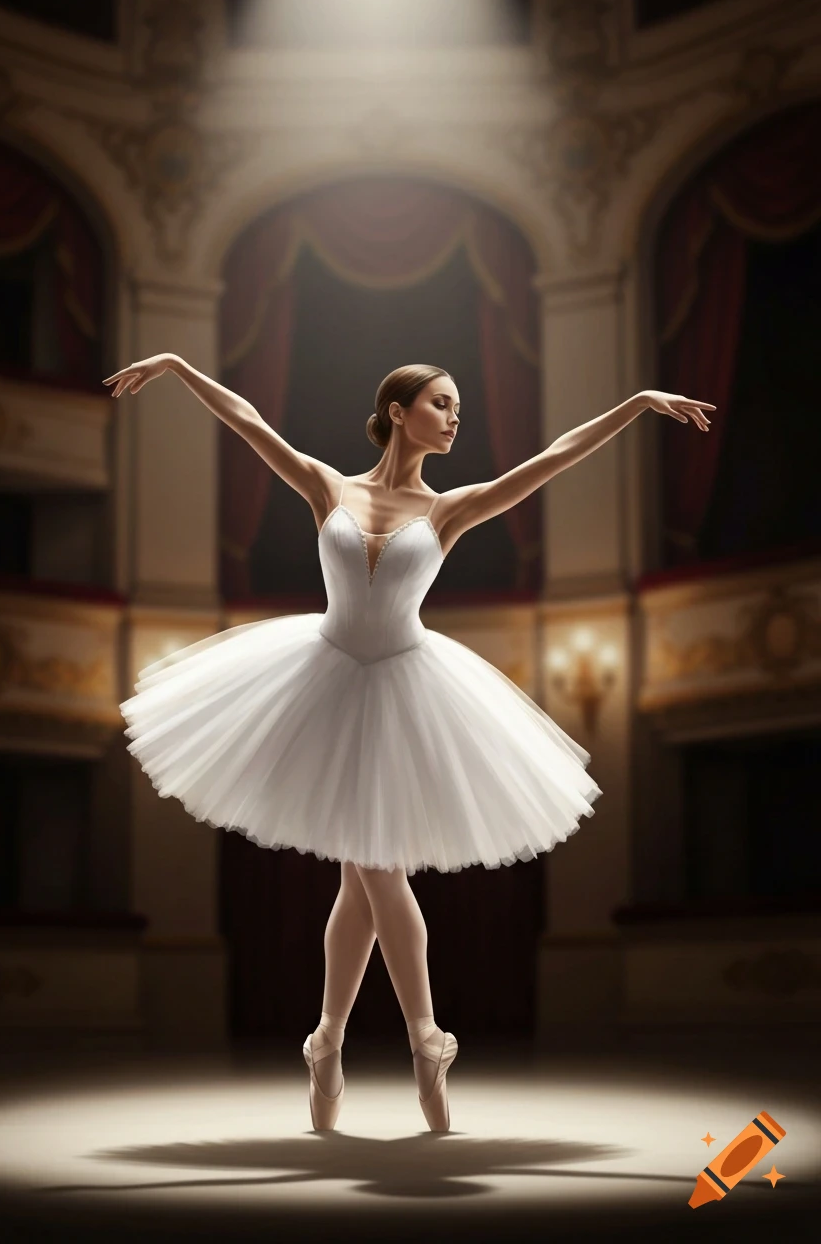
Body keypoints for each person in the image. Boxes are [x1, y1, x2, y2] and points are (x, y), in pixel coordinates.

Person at [105, 354, 714, 1132]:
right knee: (368, 868)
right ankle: (416, 1036)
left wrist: (634, 402)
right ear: (398, 410)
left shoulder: (450, 509)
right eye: (441, 403)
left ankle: (331, 1044)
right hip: (321, 676)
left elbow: (553, 458)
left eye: (458, 406)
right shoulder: (330, 486)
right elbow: (250, 422)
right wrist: (178, 366)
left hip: (403, 683)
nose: (456, 417)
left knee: (366, 869)